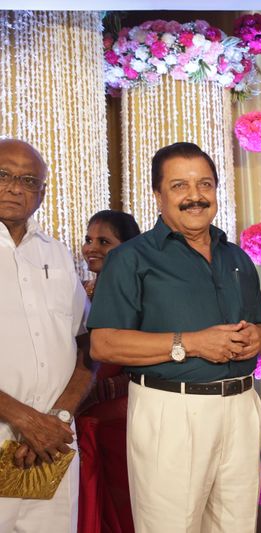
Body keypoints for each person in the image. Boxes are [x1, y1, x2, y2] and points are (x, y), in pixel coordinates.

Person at [87, 142, 261, 533]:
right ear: (158, 195)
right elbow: (104, 344)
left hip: (241, 408)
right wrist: (191, 342)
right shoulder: (131, 258)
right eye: (179, 186)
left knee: (237, 526)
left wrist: (259, 337)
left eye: (204, 184)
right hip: (171, 410)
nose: (195, 196)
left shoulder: (236, 257)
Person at [0, 138, 92, 532]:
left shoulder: (56, 254)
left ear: (42, 192)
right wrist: (23, 418)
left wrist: (58, 417)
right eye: (3, 175)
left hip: (52, 443)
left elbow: (87, 345)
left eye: (28, 180)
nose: (14, 188)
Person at [76, 210, 140, 533]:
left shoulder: (139, 295)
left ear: (127, 248)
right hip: (82, 416)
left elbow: (148, 363)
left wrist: (98, 393)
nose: (91, 248)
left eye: (104, 241)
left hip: (120, 419)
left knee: (124, 504)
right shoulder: (82, 292)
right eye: (89, 240)